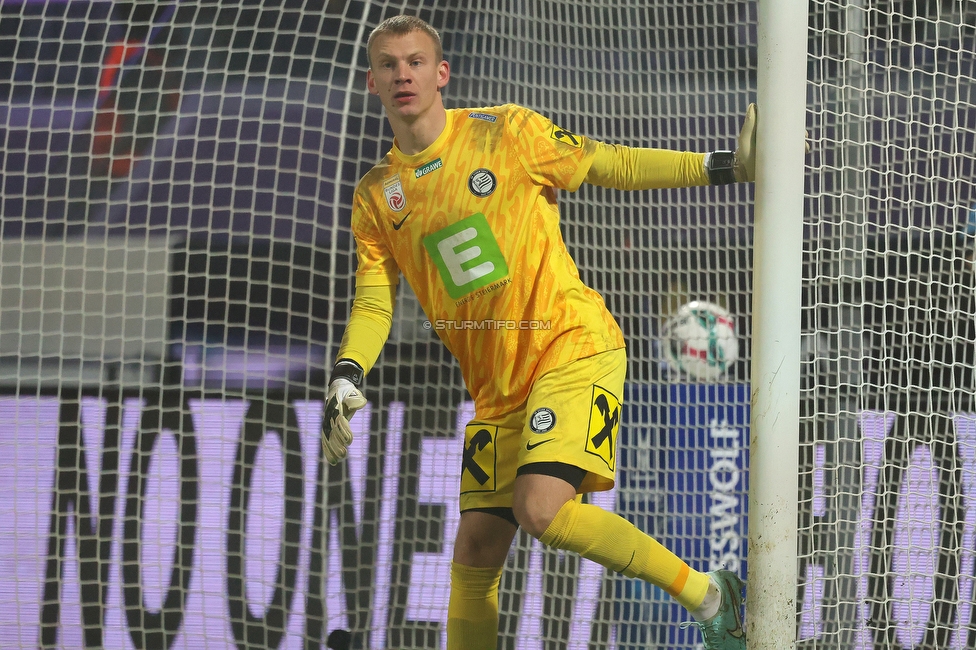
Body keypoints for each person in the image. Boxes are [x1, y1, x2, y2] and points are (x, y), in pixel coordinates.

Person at [322, 14, 756, 650]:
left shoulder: (507, 134)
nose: (403, 74)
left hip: (572, 346)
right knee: (474, 556)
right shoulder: (375, 195)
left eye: (415, 62)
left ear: (441, 74)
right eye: (389, 65)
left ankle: (711, 596)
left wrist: (723, 167)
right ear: (372, 83)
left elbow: (612, 164)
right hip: (498, 392)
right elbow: (374, 301)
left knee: (541, 509)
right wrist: (348, 371)